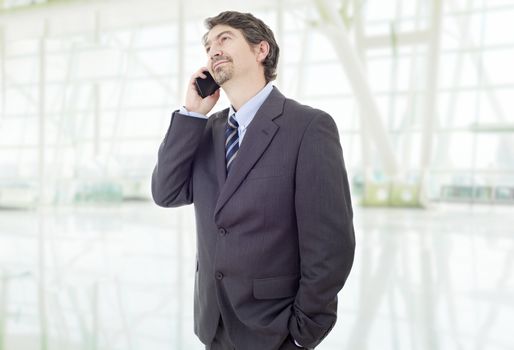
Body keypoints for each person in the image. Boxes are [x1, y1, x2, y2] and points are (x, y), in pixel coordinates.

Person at [152, 11, 355, 350]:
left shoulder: (308, 128)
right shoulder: (206, 131)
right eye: (208, 45)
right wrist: (191, 114)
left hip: (275, 331)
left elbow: (331, 247)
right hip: (214, 325)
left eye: (225, 39)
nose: (213, 49)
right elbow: (166, 192)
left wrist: (302, 333)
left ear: (261, 50)